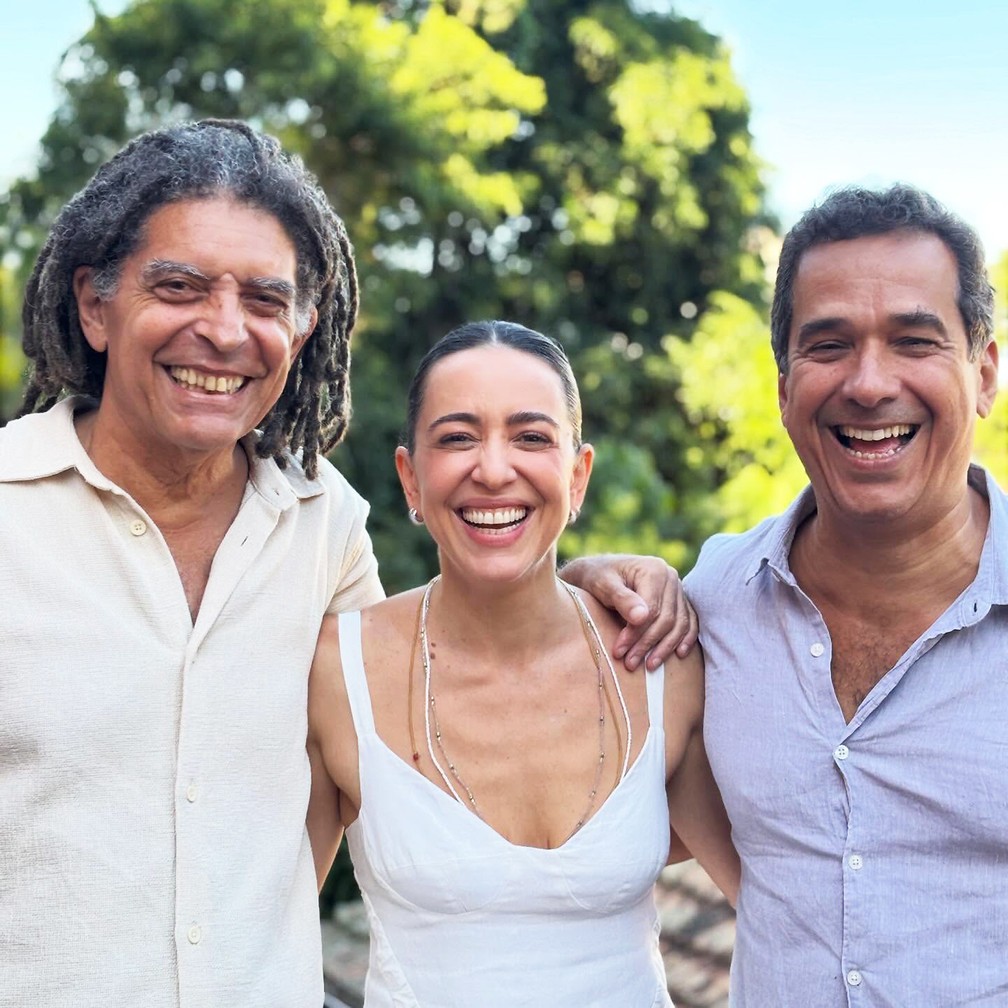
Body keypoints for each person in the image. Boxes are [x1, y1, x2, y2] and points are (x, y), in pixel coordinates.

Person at [0, 119, 694, 1007]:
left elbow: (425, 698)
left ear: (303, 326)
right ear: (94, 304)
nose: (222, 330)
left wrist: (581, 576)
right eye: (178, 287)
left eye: (263, 299)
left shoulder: (325, 528)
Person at [306, 320, 739, 1007]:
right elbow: (268, 928)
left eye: (531, 437)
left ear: (578, 475)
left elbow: (784, 895)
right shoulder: (335, 670)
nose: (494, 467)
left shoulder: (662, 660)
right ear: (410, 478)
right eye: (457, 437)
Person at [685, 184, 1004, 1006]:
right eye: (828, 345)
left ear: (985, 371)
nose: (868, 384)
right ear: (784, 381)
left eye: (913, 340)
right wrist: (590, 579)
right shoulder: (714, 599)